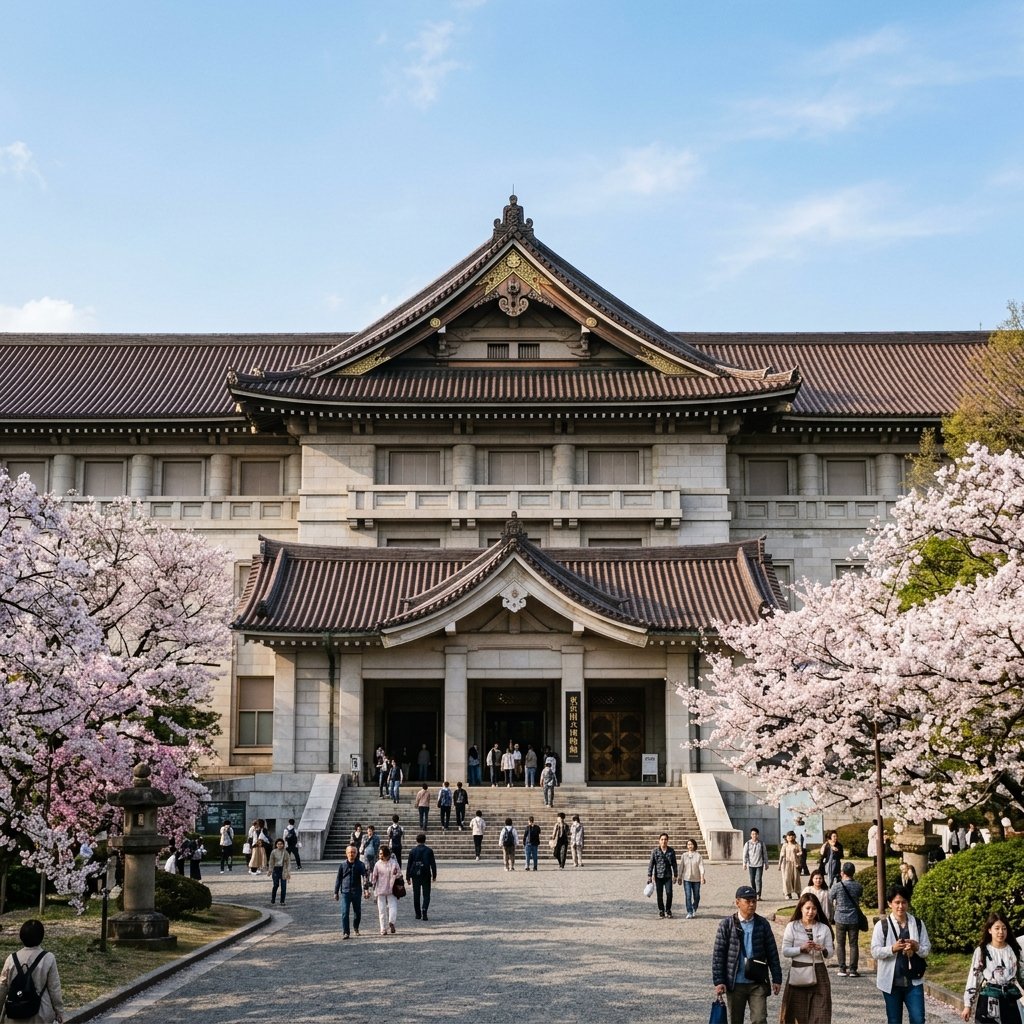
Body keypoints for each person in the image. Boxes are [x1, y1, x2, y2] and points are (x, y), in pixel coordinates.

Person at [712, 885, 783, 1024]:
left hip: (757, 982)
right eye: (748, 901)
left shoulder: (762, 924)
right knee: (735, 1020)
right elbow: (718, 955)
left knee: (760, 1019)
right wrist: (719, 981)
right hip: (735, 983)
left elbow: (772, 952)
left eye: (754, 901)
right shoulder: (726, 925)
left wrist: (777, 978)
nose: (751, 904)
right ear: (737, 902)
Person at [871, 884, 931, 1024]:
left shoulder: (917, 923)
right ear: (889, 903)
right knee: (894, 1020)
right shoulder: (882, 925)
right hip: (891, 983)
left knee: (918, 1019)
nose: (900, 906)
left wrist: (916, 947)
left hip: (913, 980)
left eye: (904, 902)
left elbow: (926, 949)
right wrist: (892, 948)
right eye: (897, 902)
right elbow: (875, 951)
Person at [780, 893, 834, 1024]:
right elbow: (785, 951)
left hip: (819, 970)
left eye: (814, 909)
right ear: (801, 908)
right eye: (807, 908)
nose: (811, 912)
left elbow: (830, 953)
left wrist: (823, 949)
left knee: (821, 1013)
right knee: (796, 1013)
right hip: (799, 970)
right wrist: (800, 949)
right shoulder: (792, 926)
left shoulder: (823, 927)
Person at [961, 912, 1022, 1023]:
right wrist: (967, 1005)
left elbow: (1020, 975)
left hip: (1010, 1000)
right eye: (997, 928)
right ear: (990, 930)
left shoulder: (1013, 950)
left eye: (1004, 928)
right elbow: (974, 977)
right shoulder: (982, 951)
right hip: (989, 999)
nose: (1000, 932)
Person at [0, 918, 65, 1023]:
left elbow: (2, 987)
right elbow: (54, 988)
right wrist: (59, 1011)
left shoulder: (11, 959)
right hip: (40, 1015)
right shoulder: (48, 958)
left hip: (14, 1014)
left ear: (22, 937)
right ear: (41, 937)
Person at [829, 861, 864, 977]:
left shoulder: (837, 886)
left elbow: (830, 897)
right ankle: (853, 969)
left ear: (842, 872)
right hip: (854, 918)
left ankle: (842, 968)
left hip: (840, 917)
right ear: (854, 873)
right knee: (854, 944)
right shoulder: (858, 886)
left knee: (840, 944)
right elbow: (859, 895)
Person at [333, 844, 367, 939]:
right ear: (346, 853)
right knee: (345, 912)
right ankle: (346, 932)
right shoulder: (342, 865)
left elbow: (365, 877)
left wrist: (366, 890)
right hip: (345, 892)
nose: (351, 854)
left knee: (357, 912)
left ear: (356, 853)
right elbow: (338, 879)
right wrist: (336, 892)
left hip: (356, 892)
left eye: (353, 852)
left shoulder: (360, 865)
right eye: (349, 852)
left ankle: (356, 927)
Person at [369, 845, 401, 935]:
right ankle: (386, 925)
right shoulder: (389, 863)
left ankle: (389, 924)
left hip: (388, 889)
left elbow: (374, 877)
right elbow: (399, 874)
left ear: (386, 854)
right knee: (387, 908)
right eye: (379, 854)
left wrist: (373, 883)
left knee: (386, 909)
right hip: (384, 889)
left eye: (381, 854)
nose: (380, 855)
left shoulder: (381, 864)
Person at [404, 833, 437, 921]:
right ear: (425, 840)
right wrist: (434, 875)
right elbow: (433, 864)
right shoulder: (429, 850)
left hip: (415, 874)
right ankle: (424, 909)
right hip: (426, 873)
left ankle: (418, 913)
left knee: (416, 894)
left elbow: (409, 864)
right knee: (426, 894)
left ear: (416, 840)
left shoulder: (413, 851)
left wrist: (408, 877)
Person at [648, 832, 679, 918]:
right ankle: (661, 910)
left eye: (665, 839)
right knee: (659, 894)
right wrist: (649, 875)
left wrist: (675, 875)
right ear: (659, 841)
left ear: (667, 841)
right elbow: (651, 864)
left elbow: (674, 864)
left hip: (668, 876)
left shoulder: (671, 851)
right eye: (662, 839)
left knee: (669, 893)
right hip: (658, 876)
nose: (663, 841)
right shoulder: (655, 851)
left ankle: (668, 910)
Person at [680, 837, 706, 919]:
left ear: (694, 845)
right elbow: (681, 867)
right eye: (688, 844)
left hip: (696, 879)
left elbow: (701, 867)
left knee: (697, 896)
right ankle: (689, 911)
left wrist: (702, 877)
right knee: (688, 895)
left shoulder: (698, 856)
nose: (690, 846)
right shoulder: (684, 855)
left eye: (691, 844)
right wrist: (679, 877)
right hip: (687, 878)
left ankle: (694, 907)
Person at [743, 827, 768, 898]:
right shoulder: (747, 843)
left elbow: (765, 854)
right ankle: (753, 892)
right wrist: (744, 863)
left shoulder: (761, 843)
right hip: (751, 864)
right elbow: (745, 854)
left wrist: (766, 863)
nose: (754, 835)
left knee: (758, 879)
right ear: (751, 835)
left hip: (759, 864)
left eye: (755, 834)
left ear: (758, 835)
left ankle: (758, 894)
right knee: (752, 880)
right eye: (753, 834)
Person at [268, 838, 292, 905]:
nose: (280, 845)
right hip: (276, 870)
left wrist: (288, 871)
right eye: (278, 844)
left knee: (283, 886)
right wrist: (270, 870)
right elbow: (271, 862)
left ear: (283, 845)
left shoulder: (286, 852)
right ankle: (273, 899)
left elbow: (288, 862)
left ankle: (282, 901)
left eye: (281, 844)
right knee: (276, 885)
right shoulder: (273, 852)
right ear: (276, 845)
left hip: (283, 870)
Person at [779, 831, 801, 900]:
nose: (790, 837)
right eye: (788, 836)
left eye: (791, 836)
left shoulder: (796, 845)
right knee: (786, 879)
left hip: (795, 864)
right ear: (786, 837)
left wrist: (797, 854)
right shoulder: (785, 845)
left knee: (795, 879)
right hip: (786, 863)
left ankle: (798, 893)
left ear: (794, 837)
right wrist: (779, 864)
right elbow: (781, 855)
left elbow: (801, 852)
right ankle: (787, 893)